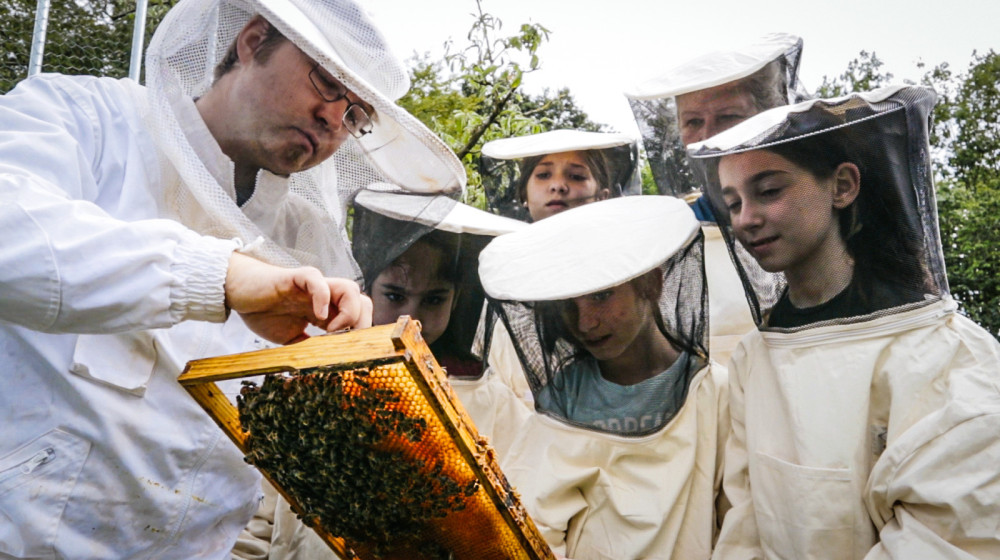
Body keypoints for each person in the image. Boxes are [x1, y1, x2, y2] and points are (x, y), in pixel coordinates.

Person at [0, 0, 466, 556]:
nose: (332, 118)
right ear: (252, 40)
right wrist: (220, 276)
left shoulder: (312, 246)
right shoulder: (85, 116)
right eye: (326, 81)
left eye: (355, 115)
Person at [688, 85, 1000, 558]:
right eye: (732, 203)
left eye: (768, 191)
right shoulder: (756, 354)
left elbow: (946, 541)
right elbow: (747, 520)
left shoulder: (946, 354)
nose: (747, 219)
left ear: (843, 186)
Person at [255, 189, 532, 559]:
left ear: (458, 298)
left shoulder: (497, 406)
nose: (411, 318)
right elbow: (261, 515)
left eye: (434, 299)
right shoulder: (315, 381)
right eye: (395, 295)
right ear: (365, 286)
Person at [479, 196, 729, 559]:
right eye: (569, 304)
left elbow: (741, 522)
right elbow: (530, 525)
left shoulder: (715, 393)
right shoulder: (564, 401)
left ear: (650, 285)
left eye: (601, 296)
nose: (585, 323)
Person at [624, 32, 803, 367]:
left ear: (769, 115)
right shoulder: (668, 237)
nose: (708, 137)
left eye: (728, 117)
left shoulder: (815, 213)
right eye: (693, 122)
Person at [479, 129, 641, 222]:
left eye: (576, 176)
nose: (558, 186)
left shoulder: (627, 259)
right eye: (543, 175)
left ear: (602, 196)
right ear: (524, 195)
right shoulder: (502, 258)